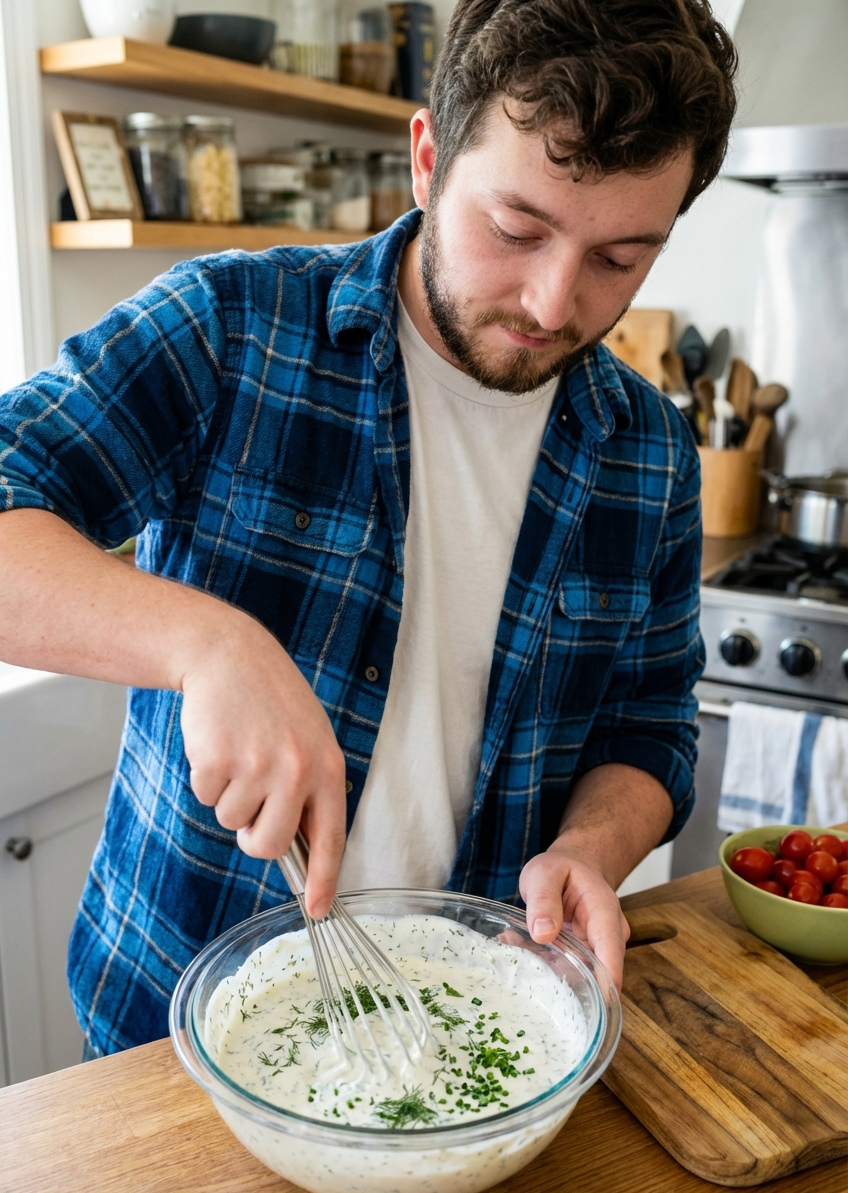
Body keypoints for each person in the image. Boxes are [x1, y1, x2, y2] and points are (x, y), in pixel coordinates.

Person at [0, 0, 737, 1055]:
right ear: (428, 160)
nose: (551, 299)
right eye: (516, 229)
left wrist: (590, 845)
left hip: (478, 1027)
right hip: (175, 1032)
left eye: (619, 257)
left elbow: (648, 723)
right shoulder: (231, 330)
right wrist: (206, 642)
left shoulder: (650, 451)